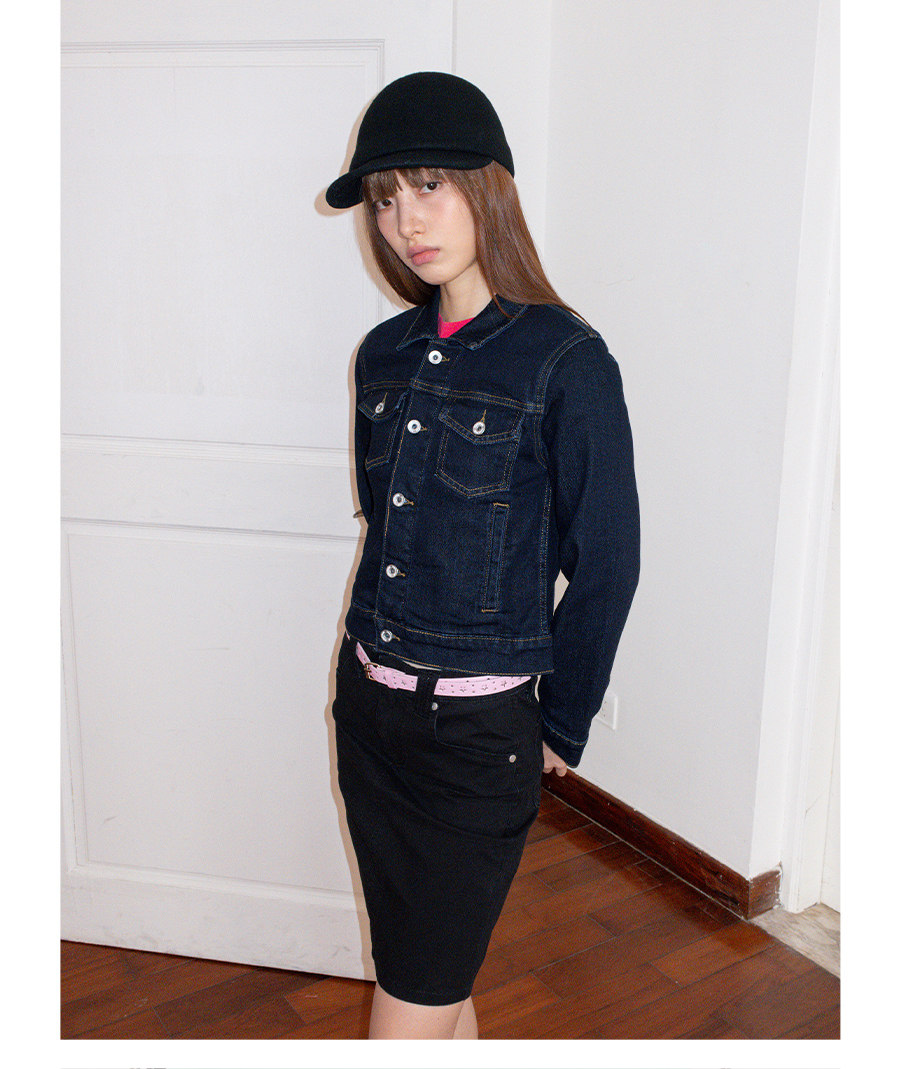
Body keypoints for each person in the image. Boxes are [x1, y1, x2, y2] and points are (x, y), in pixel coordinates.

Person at [324, 71, 640, 1039]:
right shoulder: (382, 353)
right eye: (385, 199)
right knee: (427, 974)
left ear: (488, 187)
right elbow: (388, 523)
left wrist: (563, 723)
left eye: (429, 185)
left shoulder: (565, 360)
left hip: (475, 734)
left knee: (413, 997)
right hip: (368, 706)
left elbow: (608, 558)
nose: (406, 221)